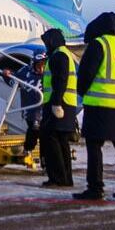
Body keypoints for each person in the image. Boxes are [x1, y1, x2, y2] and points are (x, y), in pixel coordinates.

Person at [73, 12, 115, 200]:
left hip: (99, 105)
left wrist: (82, 92)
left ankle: (95, 188)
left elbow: (86, 74)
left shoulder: (98, 45)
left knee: (94, 148)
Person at [38, 28, 79, 187]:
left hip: (58, 104)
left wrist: (56, 103)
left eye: (47, 42)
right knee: (62, 142)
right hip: (66, 104)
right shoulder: (64, 54)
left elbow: (60, 81)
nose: (46, 45)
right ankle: (66, 178)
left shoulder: (58, 56)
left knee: (52, 141)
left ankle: (57, 178)